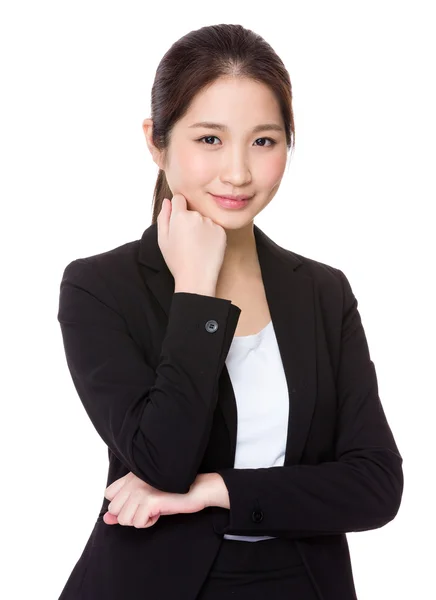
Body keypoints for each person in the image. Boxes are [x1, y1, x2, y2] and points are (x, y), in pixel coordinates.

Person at [56, 23, 404, 600]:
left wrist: (219, 490)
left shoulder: (323, 291)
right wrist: (196, 289)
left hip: (302, 585)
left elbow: (375, 486)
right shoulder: (99, 288)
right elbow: (160, 461)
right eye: (210, 139)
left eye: (263, 141)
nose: (239, 172)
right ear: (156, 142)